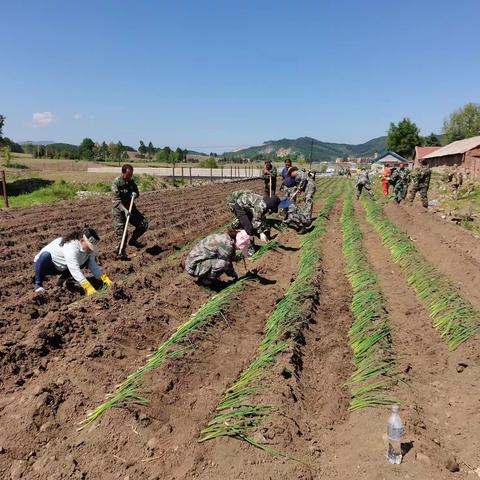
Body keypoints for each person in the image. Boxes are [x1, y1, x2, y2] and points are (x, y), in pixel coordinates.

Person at [33, 227, 113, 295]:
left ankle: (62, 280)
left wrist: (103, 278)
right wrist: (87, 286)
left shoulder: (88, 251)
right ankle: (38, 284)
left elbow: (92, 264)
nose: (90, 249)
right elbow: (74, 269)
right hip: (47, 265)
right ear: (82, 241)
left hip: (63, 266)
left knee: (83, 261)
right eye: (89, 246)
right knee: (45, 256)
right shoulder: (71, 247)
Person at [112, 164, 149, 258]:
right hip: (119, 211)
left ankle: (133, 240)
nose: (130, 177)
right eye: (128, 175)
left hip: (131, 208)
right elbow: (116, 201)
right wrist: (124, 210)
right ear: (123, 173)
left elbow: (137, 192)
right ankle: (120, 252)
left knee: (143, 223)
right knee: (122, 233)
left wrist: (135, 194)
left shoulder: (131, 182)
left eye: (131, 174)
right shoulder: (116, 183)